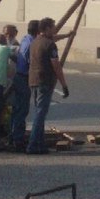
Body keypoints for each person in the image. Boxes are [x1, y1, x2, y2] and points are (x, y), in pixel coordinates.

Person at [27, 17, 69, 154]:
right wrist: (64, 85)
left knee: (39, 112)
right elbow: (56, 65)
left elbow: (54, 38)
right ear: (46, 29)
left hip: (33, 80)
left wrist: (68, 35)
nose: (55, 29)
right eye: (53, 27)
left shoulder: (35, 42)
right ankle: (33, 145)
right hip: (44, 81)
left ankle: (40, 144)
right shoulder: (50, 45)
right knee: (40, 113)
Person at [10, 19, 39, 152]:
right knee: (22, 109)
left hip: (18, 76)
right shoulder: (32, 44)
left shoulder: (25, 39)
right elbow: (32, 63)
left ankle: (13, 137)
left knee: (17, 109)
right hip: (23, 78)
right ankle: (18, 140)